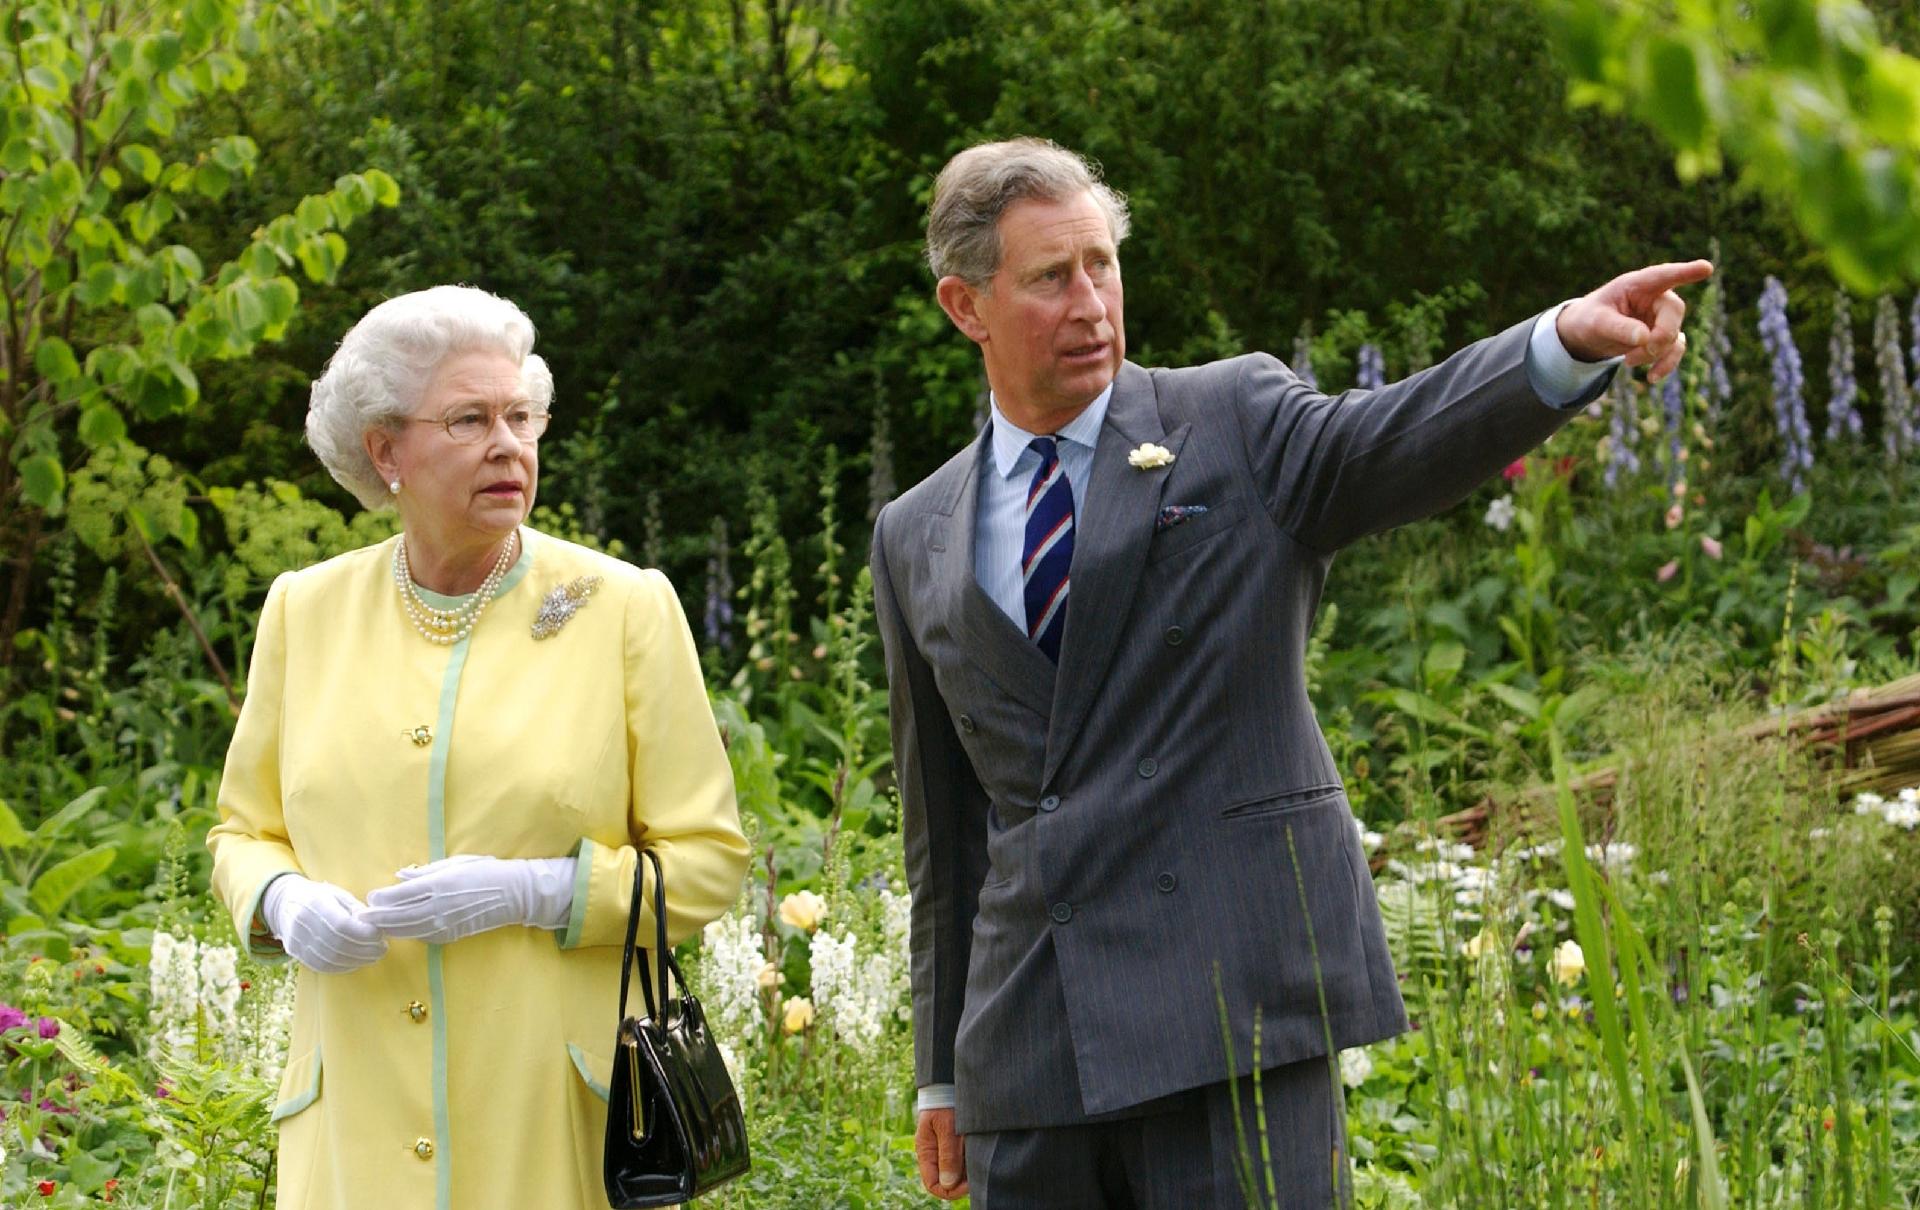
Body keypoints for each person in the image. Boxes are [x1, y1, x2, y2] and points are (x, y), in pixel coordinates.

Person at [869, 137, 1709, 1206]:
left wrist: (1557, 348)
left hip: (1232, 1020)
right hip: (1033, 1054)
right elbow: (944, 838)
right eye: (1049, 277)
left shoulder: (1232, 421)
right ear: (965, 305)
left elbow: (1394, 437)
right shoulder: (914, 532)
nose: (1091, 303)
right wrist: (940, 1071)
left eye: (1103, 265)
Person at [206, 286, 750, 1210]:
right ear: (386, 451)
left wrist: (534, 891)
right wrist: (282, 899)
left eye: (521, 417)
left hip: (552, 1126)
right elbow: (242, 831)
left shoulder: (623, 607)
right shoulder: (305, 609)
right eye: (469, 419)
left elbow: (708, 864)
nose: (508, 444)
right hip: (352, 1126)